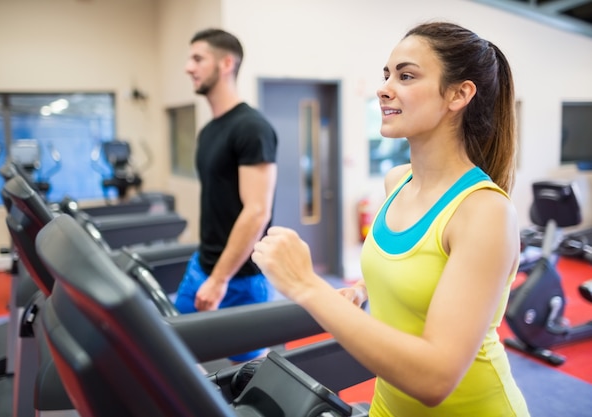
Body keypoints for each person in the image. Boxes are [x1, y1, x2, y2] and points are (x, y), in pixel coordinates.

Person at [252, 21, 530, 416]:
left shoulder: (484, 212)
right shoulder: (397, 181)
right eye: (386, 74)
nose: (385, 87)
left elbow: (435, 379)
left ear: (458, 94)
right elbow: (410, 266)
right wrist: (363, 289)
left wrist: (305, 284)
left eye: (406, 75)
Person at [174, 28, 278, 363]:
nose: (189, 67)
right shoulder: (208, 132)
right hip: (201, 265)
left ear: (226, 64)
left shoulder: (251, 127)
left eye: (198, 58)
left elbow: (256, 211)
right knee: (174, 356)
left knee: (249, 377)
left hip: (240, 280)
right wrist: (209, 272)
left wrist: (220, 280)